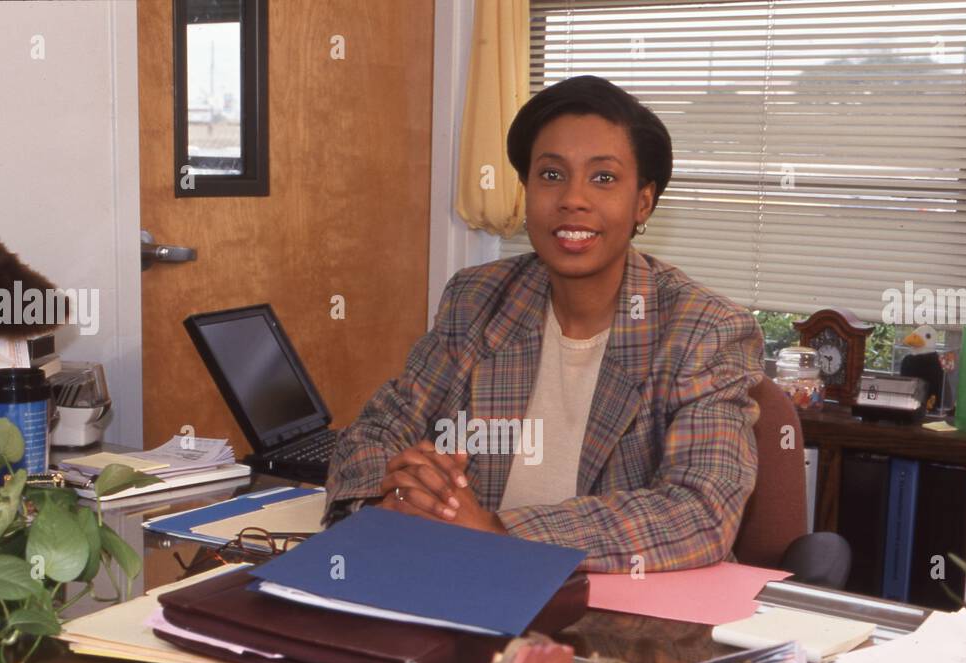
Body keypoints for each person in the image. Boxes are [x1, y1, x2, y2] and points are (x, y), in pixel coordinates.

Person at [324, 75, 763, 572]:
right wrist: (394, 495)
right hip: (462, 583)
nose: (572, 199)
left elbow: (700, 508)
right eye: (551, 175)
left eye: (603, 178)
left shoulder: (702, 329)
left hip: (616, 614)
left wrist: (500, 533)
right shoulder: (478, 300)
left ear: (643, 201)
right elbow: (376, 430)